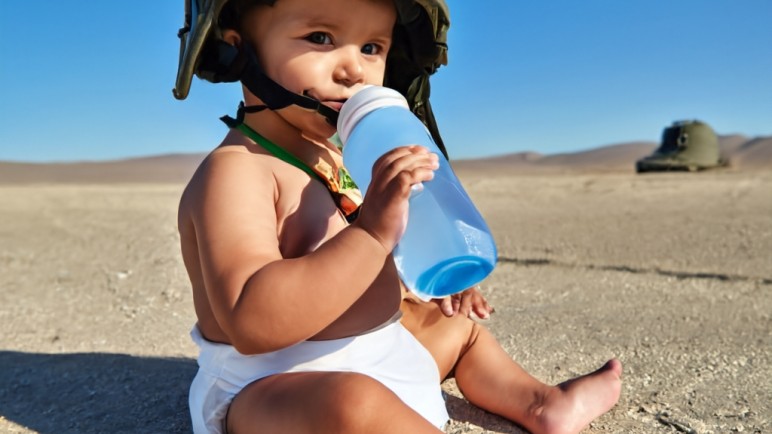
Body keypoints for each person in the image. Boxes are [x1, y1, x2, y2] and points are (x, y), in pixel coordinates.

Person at [172, 0, 623, 432]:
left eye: (372, 47)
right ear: (237, 48)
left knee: (457, 332)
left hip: (382, 352)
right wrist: (371, 233)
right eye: (321, 36)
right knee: (352, 405)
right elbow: (254, 321)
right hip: (275, 386)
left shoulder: (339, 156)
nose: (354, 69)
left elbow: (355, 264)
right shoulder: (236, 171)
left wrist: (425, 275)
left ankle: (542, 405)